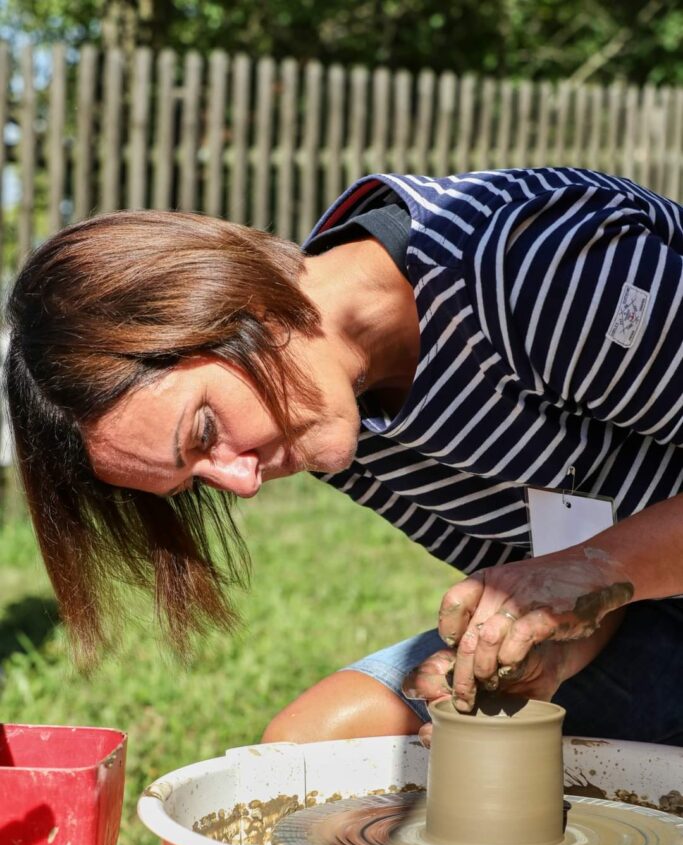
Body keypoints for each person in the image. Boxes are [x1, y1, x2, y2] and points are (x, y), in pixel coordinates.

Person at [5, 166, 683, 748]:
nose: (240, 483)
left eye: (204, 432)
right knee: (303, 747)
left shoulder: (527, 266)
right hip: (654, 602)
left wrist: (591, 568)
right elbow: (568, 537)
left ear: (231, 306)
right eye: (195, 483)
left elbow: (589, 559)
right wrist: (556, 643)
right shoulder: (331, 419)